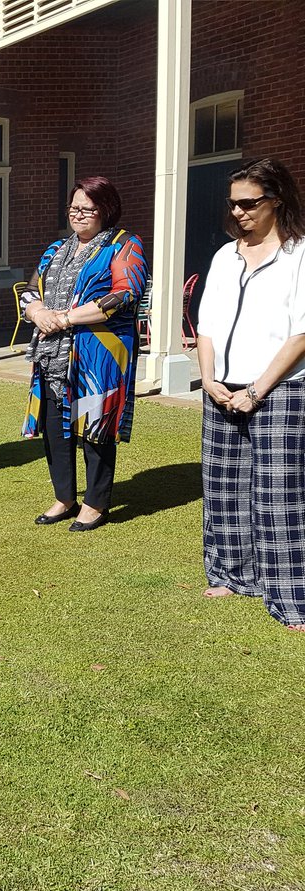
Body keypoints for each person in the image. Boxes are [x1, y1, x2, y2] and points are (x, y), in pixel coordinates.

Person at [196, 157, 305, 632]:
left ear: (276, 200)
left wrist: (257, 390)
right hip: (221, 389)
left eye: (249, 203)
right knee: (223, 489)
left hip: (280, 390)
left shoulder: (299, 254)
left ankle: (290, 597)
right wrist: (210, 380)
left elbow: (300, 334)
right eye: (233, 204)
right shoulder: (226, 256)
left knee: (279, 495)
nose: (239, 212)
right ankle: (232, 574)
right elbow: (207, 325)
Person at [19, 176, 147, 531]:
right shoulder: (55, 249)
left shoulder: (124, 246)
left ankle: (95, 503)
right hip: (52, 353)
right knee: (54, 429)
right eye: (74, 208)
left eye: (87, 209)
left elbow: (125, 294)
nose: (79, 215)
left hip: (98, 355)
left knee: (95, 428)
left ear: (105, 209)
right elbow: (30, 291)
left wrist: (66, 318)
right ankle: (64, 497)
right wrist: (39, 314)